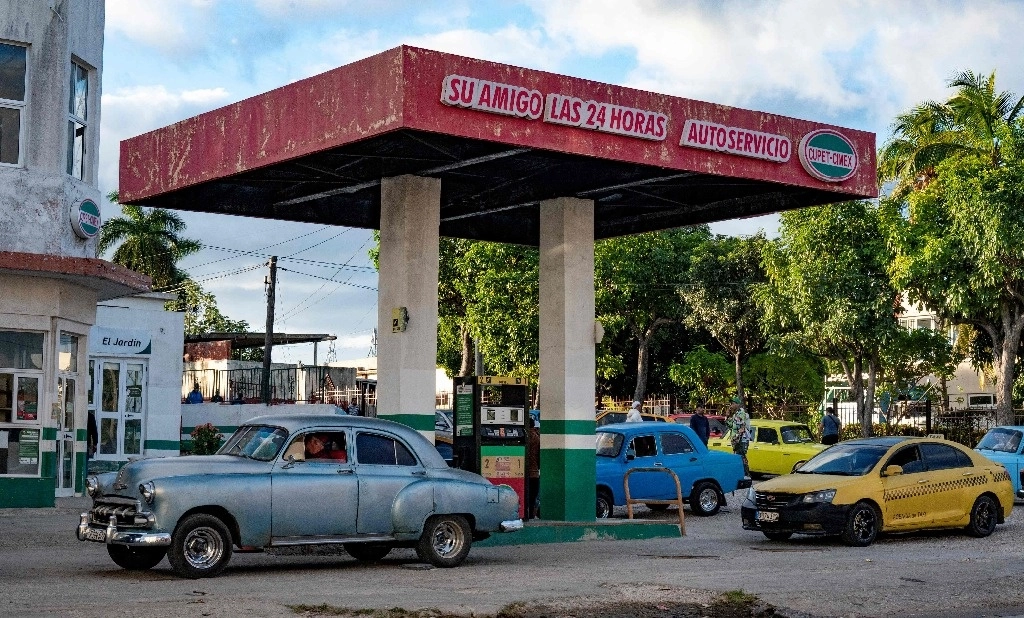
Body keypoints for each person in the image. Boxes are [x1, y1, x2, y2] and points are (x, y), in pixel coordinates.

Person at [727, 397, 751, 475]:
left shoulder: (741, 413)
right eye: (731, 404)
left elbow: (739, 425)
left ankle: (746, 474)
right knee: (739, 457)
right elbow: (730, 426)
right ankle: (742, 474)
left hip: (741, 439)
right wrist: (728, 416)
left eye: (733, 404)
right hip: (736, 439)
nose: (731, 405)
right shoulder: (735, 414)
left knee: (741, 457)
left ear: (738, 404)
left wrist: (736, 439)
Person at [527, 418, 541, 519]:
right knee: (533, 496)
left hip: (524, 472)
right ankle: (531, 515)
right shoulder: (537, 437)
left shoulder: (526, 436)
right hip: (534, 472)